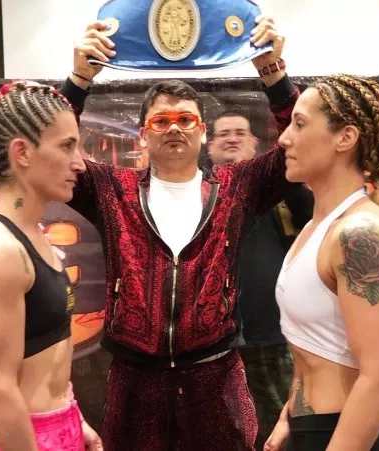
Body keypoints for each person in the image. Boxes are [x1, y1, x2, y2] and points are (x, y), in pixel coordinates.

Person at [59, 16, 302, 450]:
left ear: (202, 131)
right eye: (161, 121)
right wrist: (79, 80)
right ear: (143, 135)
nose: (174, 127)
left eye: (186, 119)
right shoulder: (111, 189)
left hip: (216, 378)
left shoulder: (237, 187)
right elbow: (52, 151)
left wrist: (272, 72)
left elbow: (296, 148)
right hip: (135, 381)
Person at [0, 81, 102, 450]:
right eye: (66, 146)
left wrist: (75, 421)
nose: (80, 163)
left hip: (59, 427)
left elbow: (50, 349)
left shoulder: (33, 235)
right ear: (22, 152)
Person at [264, 74, 379, 451]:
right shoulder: (317, 226)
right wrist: (290, 414)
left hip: (339, 434)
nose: (284, 138)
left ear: (345, 137)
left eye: (300, 124)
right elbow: (313, 345)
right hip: (309, 428)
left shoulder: (360, 233)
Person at [207, 110, 314, 449]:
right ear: (209, 147)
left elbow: (312, 216)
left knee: (284, 431)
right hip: (213, 344)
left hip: (272, 336)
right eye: (223, 133)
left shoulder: (281, 187)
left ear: (254, 143)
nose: (232, 138)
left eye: (240, 132)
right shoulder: (196, 192)